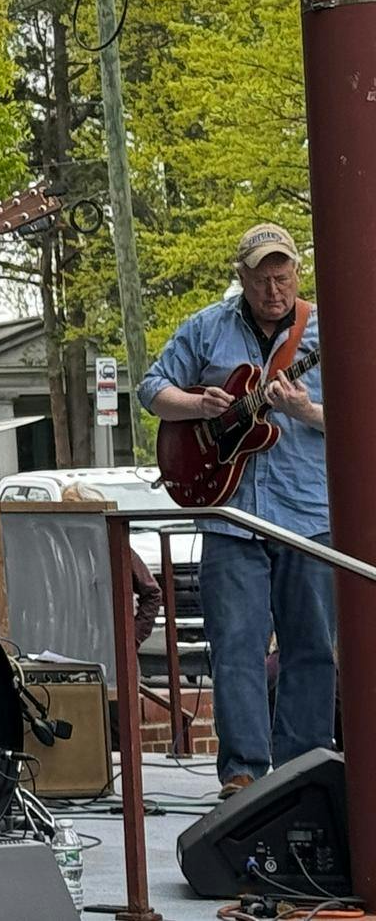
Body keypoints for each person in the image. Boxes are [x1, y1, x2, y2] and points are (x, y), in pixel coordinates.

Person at [140, 222, 330, 800]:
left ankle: (307, 770)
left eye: (283, 275)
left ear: (298, 273)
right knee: (236, 646)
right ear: (241, 278)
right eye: (262, 277)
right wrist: (198, 402)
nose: (275, 289)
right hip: (231, 512)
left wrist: (304, 411)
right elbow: (151, 388)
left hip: (308, 511)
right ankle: (243, 776)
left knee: (312, 647)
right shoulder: (206, 327)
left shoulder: (330, 329)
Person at [58, 484, 163, 647]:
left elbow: (152, 593)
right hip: (72, 644)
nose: (64, 511)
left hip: (110, 645)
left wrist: (132, 637)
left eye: (70, 503)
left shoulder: (113, 546)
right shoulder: (60, 548)